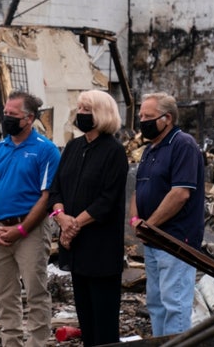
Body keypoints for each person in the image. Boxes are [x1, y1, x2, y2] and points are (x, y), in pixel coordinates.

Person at [0, 91, 61, 347]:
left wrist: (22, 230)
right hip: (1, 231)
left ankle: (36, 342)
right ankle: (11, 342)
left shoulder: (45, 150)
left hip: (31, 231)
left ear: (29, 118)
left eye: (13, 115)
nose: (6, 118)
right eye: (5, 114)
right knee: (5, 293)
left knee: (36, 290)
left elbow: (47, 197)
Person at [48, 90, 128, 346]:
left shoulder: (113, 151)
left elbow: (107, 200)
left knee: (104, 321)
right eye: (80, 108)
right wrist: (61, 217)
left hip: (100, 247)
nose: (80, 114)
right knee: (85, 316)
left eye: (87, 110)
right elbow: (56, 188)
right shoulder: (73, 146)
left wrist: (73, 225)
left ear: (102, 114)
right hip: (76, 249)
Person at [129, 92, 205, 337]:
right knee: (157, 303)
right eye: (141, 115)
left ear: (167, 118)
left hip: (175, 240)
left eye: (148, 116)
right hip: (153, 240)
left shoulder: (183, 144)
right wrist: (135, 220)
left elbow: (180, 193)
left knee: (175, 305)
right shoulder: (151, 150)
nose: (142, 121)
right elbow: (138, 189)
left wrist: (148, 225)